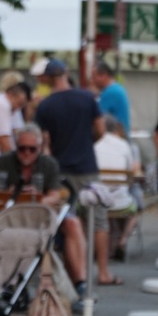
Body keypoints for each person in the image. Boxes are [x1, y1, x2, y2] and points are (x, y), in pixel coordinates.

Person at [34, 59, 120, 286]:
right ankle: (103, 272)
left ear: (47, 79)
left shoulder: (45, 105)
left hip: (60, 170)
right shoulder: (87, 98)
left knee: (67, 221)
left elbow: (45, 143)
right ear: (66, 73)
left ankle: (74, 273)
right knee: (98, 220)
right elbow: (100, 130)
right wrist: (87, 143)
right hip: (87, 167)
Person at [0, 123, 88, 298]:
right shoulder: (4, 162)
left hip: (42, 213)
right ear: (16, 147)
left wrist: (35, 199)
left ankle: (80, 281)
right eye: (22, 148)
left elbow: (55, 195)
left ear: (39, 148)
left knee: (73, 223)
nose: (27, 153)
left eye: (32, 149)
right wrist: (9, 195)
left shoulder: (48, 163)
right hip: (11, 215)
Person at [95, 115, 142, 260]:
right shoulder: (124, 145)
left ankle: (103, 247)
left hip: (99, 201)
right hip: (121, 202)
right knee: (134, 210)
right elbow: (131, 173)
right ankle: (122, 241)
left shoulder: (95, 146)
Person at [92, 61, 131, 136]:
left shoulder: (110, 92)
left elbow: (97, 118)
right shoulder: (117, 88)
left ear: (104, 75)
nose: (93, 81)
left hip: (115, 137)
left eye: (94, 77)